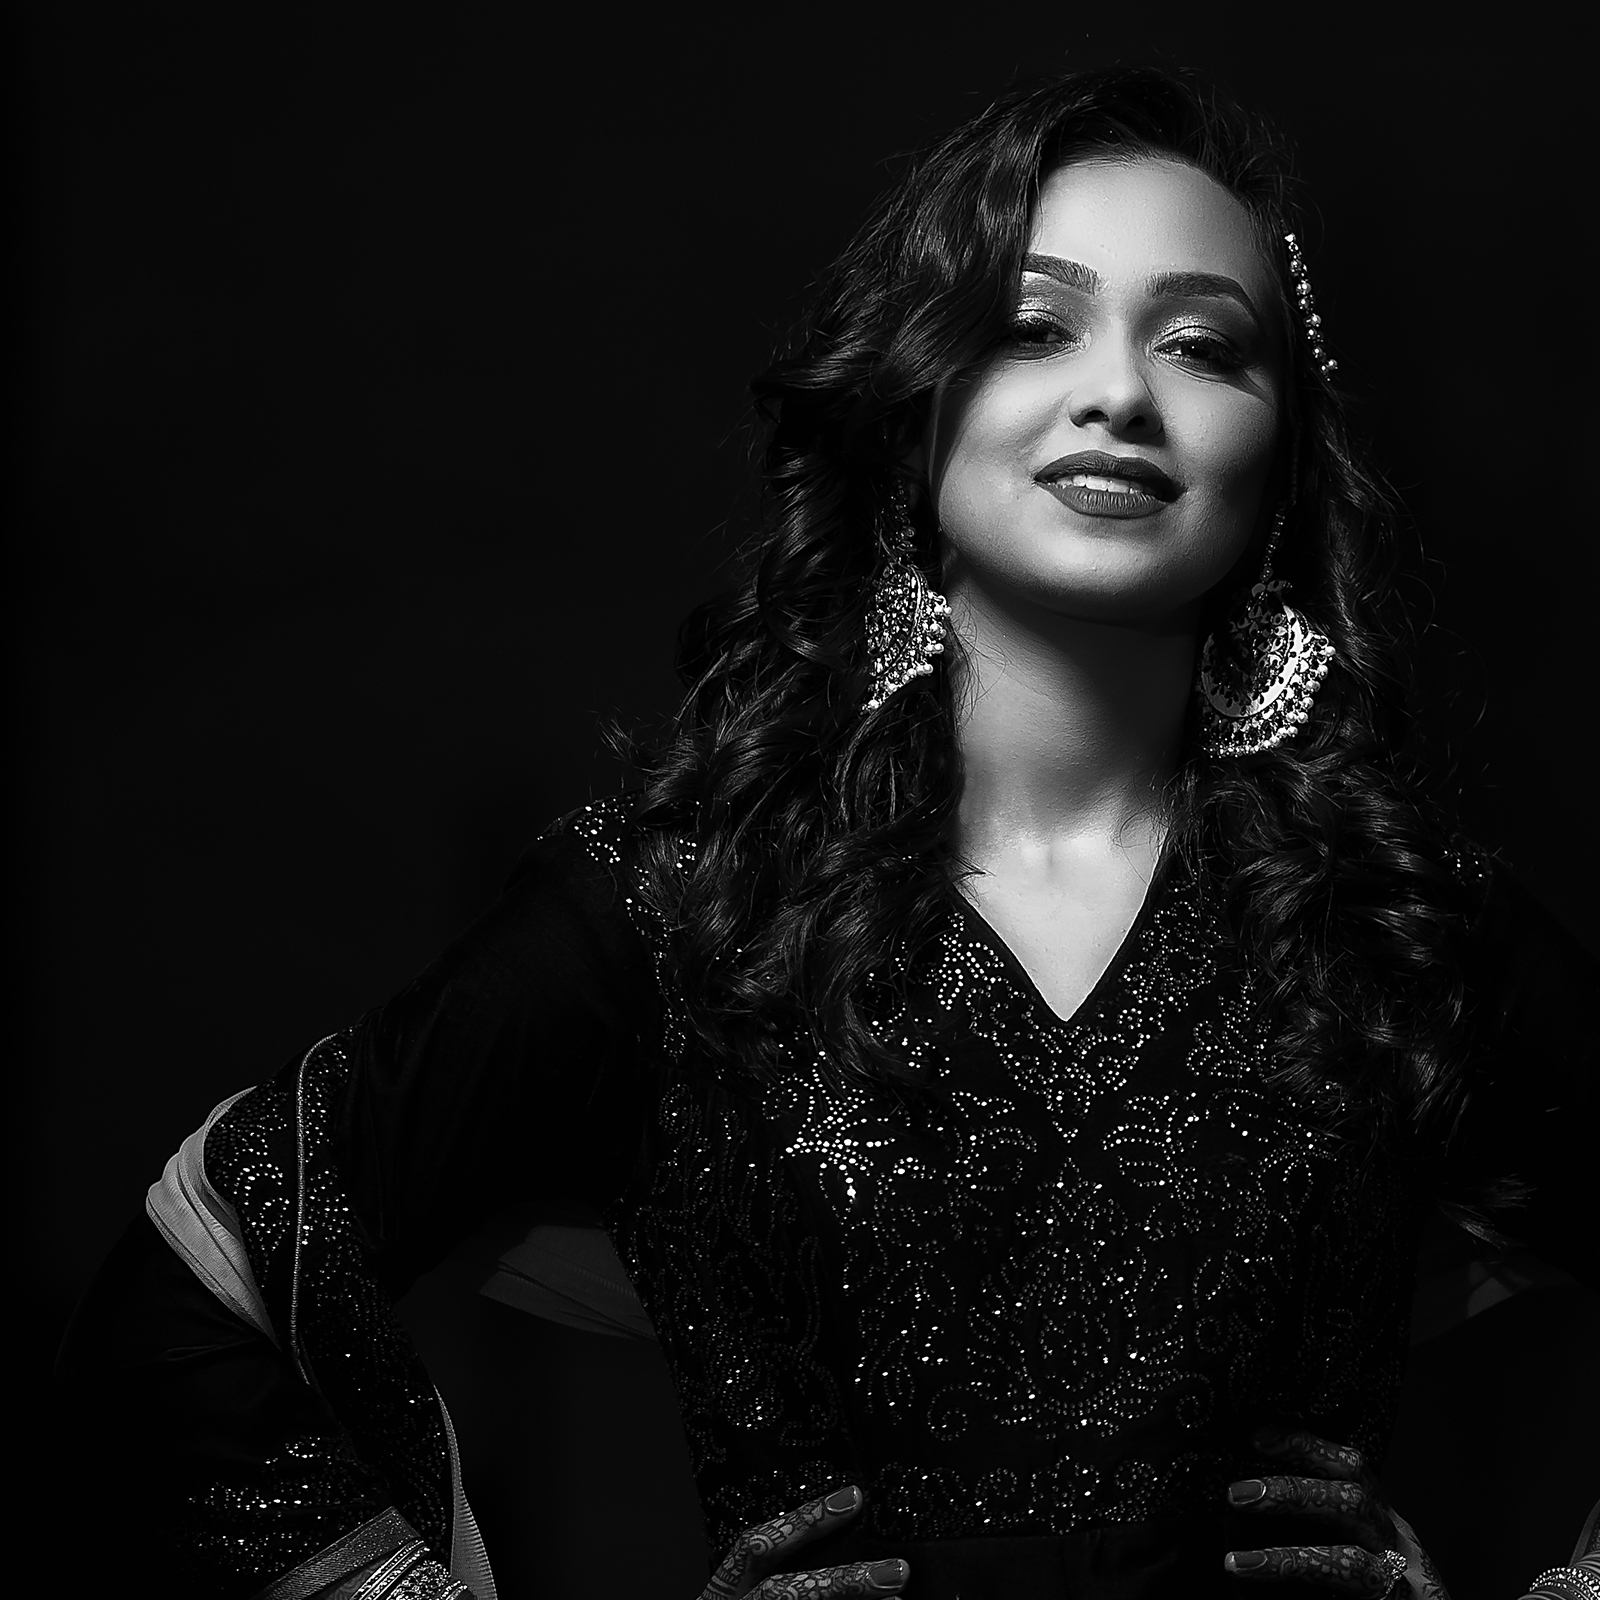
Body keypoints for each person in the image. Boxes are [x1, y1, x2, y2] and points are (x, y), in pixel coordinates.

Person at [57, 64, 1598, 1600]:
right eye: (1032, 325)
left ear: (1282, 457)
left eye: (1202, 345)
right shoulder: (688, 912)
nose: (1123, 392)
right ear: (911, 406)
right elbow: (182, 1309)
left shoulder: (1394, 922)